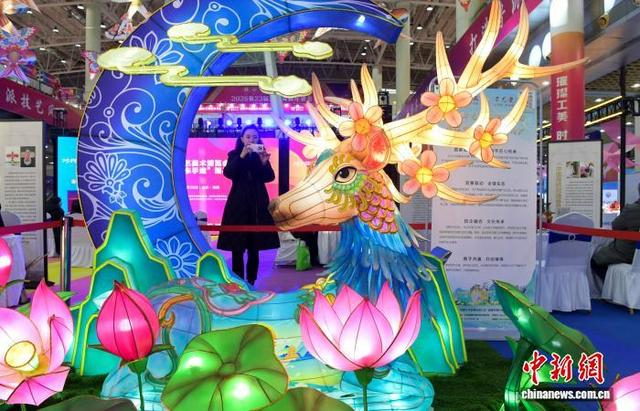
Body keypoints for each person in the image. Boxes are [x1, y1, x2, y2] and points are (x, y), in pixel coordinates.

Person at [217, 125, 280, 285]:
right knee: (237, 247)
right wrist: (242, 155)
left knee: (254, 247)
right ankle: (239, 282)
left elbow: (269, 177)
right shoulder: (234, 155)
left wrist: (264, 163)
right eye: (248, 137)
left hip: (258, 203)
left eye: (255, 137)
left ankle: (251, 281)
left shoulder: (261, 155)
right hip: (238, 204)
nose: (252, 140)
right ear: (242, 139)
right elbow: (228, 173)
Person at [591, 184, 640, 281]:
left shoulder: (632, 210)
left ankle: (613, 286)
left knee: (595, 262)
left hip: (627, 254)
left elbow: (615, 226)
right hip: (635, 255)